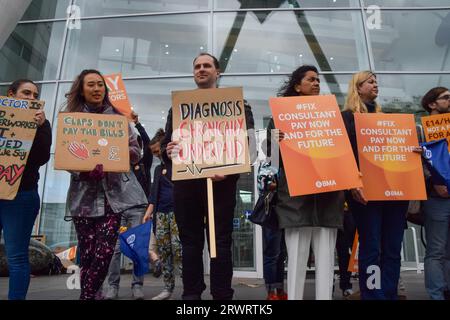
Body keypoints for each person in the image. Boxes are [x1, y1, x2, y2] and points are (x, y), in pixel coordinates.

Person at [161, 53, 255, 300]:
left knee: (220, 242)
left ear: (218, 72)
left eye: (207, 66)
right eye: (197, 66)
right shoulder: (179, 107)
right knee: (190, 242)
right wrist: (168, 150)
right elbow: (166, 145)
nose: (201, 69)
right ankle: (191, 295)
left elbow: (252, 146)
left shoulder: (240, 106)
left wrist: (230, 168)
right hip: (186, 185)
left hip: (221, 185)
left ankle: (222, 295)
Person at [62, 69, 148, 300]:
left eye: (100, 84)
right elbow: (65, 156)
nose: (97, 88)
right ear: (81, 89)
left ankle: (87, 296)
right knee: (88, 254)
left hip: (114, 198)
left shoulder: (119, 119)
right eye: (91, 84)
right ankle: (93, 294)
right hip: (83, 200)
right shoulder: (71, 119)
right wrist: (83, 167)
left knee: (105, 252)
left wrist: (116, 155)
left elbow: (136, 151)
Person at [267, 65, 344, 300]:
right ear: (297, 86)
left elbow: (342, 154)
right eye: (311, 79)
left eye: (318, 80)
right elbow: (266, 158)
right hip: (295, 199)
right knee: (297, 259)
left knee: (326, 260)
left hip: (328, 197)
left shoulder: (332, 115)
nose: (316, 83)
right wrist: (273, 141)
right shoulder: (279, 118)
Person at [341, 71, 408, 300]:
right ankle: (372, 294)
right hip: (365, 193)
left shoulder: (387, 119)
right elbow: (344, 155)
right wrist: (352, 184)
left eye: (376, 81)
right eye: (370, 81)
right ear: (357, 88)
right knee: (372, 247)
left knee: (392, 248)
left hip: (394, 192)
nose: (375, 84)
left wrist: (411, 150)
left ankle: (388, 293)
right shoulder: (346, 118)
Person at [0, 79, 51, 300]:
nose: (32, 98)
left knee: (17, 257)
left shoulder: (42, 124)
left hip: (21, 196)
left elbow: (41, 158)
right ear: (12, 95)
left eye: (35, 95)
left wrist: (41, 128)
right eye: (26, 93)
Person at [143, 129, 182, 300]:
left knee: (179, 249)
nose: (157, 155)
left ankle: (189, 286)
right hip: (160, 215)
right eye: (154, 153)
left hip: (177, 213)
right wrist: (148, 213)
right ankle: (168, 288)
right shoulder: (158, 169)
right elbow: (153, 194)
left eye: (158, 150)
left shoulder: (178, 164)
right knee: (165, 251)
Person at [420, 86, 450, 300]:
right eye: (445, 98)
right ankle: (436, 295)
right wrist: (433, 181)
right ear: (432, 104)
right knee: (437, 250)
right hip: (436, 197)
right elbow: (418, 162)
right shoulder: (419, 129)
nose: (449, 101)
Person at [131, 111, 153, 198]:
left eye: (135, 145)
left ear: (139, 147)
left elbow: (147, 143)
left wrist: (137, 124)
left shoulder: (145, 162)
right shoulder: (124, 165)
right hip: (127, 204)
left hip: (144, 204)